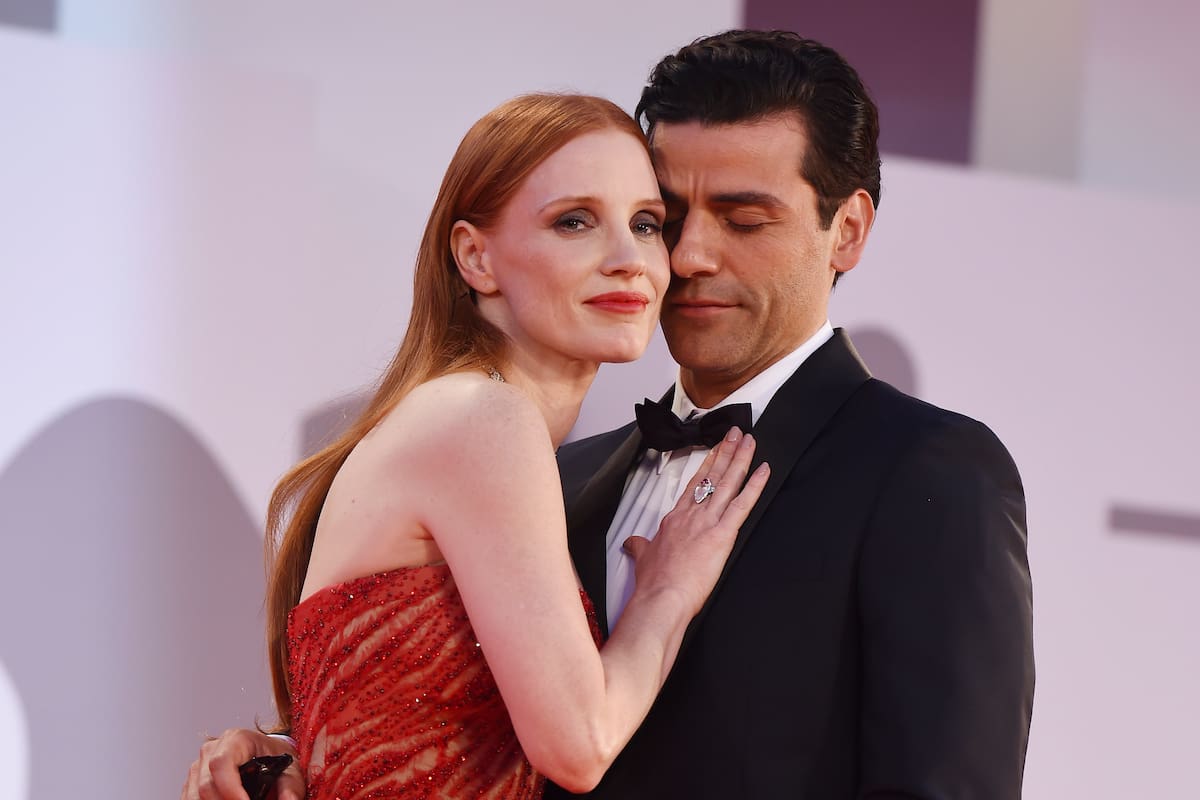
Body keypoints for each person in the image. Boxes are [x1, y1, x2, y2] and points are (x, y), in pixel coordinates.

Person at [186, 29, 1034, 799]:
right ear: (473, 256)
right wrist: (294, 754)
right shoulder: (553, 472)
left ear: (846, 231)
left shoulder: (924, 472)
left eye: (743, 219)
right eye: (671, 218)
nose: (687, 256)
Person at [182, 92, 770, 800]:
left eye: (646, 224)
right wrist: (667, 592)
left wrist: (282, 748)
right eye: (574, 221)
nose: (629, 259)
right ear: (475, 257)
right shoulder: (481, 420)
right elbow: (580, 746)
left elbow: (388, 727)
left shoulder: (467, 423)